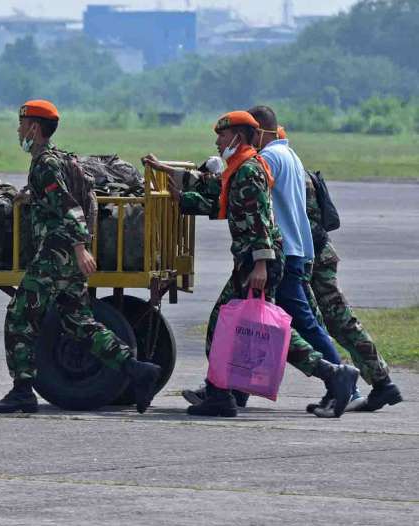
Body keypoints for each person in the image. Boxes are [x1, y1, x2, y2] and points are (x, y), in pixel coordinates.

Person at [145, 111, 358, 418]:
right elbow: (224, 202)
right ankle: (327, 375)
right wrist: (178, 188)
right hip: (255, 260)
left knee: (232, 326)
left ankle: (223, 395)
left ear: (238, 137)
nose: (217, 142)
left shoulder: (247, 170)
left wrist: (261, 264)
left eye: (222, 135)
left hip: (258, 263)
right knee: (261, 331)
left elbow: (259, 219)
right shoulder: (241, 167)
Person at [0, 99, 161, 414]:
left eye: (22, 125)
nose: (18, 130)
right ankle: (136, 370)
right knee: (76, 320)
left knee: (19, 315)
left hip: (57, 253)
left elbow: (69, 206)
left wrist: (81, 247)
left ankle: (22, 389)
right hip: (67, 253)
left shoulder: (45, 164)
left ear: (34, 128)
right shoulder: (62, 159)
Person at [295, 129, 402, 415]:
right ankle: (378, 383)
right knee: (334, 322)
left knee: (337, 321)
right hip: (319, 256)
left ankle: (373, 383)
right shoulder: (293, 164)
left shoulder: (286, 169)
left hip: (316, 259)